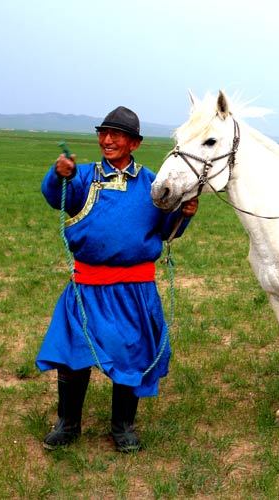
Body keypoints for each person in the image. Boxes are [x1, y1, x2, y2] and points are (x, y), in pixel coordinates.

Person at [37, 106, 198, 452]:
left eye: (117, 135)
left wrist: (183, 216)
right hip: (87, 286)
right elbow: (55, 197)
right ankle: (68, 424)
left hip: (133, 289)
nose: (107, 140)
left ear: (135, 143)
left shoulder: (152, 184)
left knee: (132, 354)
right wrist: (58, 174)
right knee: (72, 353)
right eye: (103, 133)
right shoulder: (82, 177)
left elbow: (165, 232)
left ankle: (123, 426)